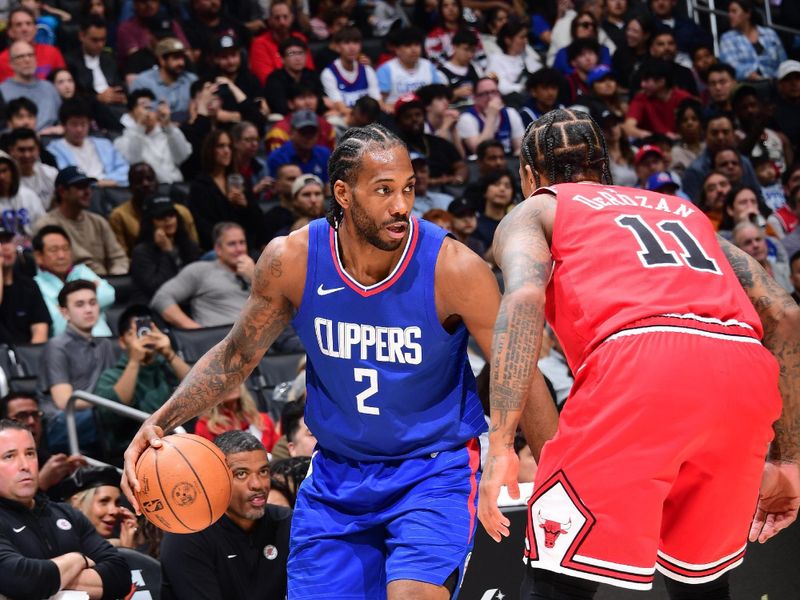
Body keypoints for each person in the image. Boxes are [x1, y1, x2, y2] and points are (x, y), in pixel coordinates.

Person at [121, 123, 516, 599]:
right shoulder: (294, 258)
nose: (402, 205)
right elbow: (236, 354)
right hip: (337, 474)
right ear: (343, 193)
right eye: (384, 190)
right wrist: (160, 420)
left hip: (430, 469)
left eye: (409, 188)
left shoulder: (454, 265)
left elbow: (518, 368)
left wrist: (531, 459)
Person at [478, 108, 800, 599]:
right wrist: (789, 459)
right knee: (702, 581)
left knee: (557, 578)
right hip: (741, 365)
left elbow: (522, 298)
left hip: (640, 361)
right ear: (605, 166)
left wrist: (500, 444)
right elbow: (785, 314)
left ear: (528, 175)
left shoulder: (538, 208)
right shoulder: (682, 211)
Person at [0, 419, 131, 600]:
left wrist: (46, 580)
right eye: (9, 456)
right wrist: (78, 560)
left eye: (30, 453)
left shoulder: (67, 514)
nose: (24, 465)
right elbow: (23, 581)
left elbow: (120, 577)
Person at [160, 431, 292, 600]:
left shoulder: (288, 523)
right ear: (215, 478)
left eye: (263, 471)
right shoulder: (188, 535)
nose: (258, 484)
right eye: (241, 474)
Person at [95, 306, 190, 458]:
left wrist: (169, 353)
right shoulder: (111, 376)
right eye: (135, 332)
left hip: (177, 442)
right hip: (137, 451)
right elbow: (111, 413)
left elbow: (198, 387)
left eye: (148, 330)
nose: (144, 336)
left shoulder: (166, 366)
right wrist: (134, 360)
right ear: (122, 341)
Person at [40, 280, 116, 453]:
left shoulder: (105, 344)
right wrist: (110, 403)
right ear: (64, 312)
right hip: (63, 422)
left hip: (98, 415)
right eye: (80, 305)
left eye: (93, 302)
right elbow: (65, 401)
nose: (89, 309)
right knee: (119, 419)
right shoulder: (56, 346)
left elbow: (113, 388)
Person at [150, 222, 255, 329]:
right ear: (218, 249)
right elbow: (161, 298)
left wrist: (255, 277)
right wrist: (195, 330)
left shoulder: (256, 272)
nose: (239, 249)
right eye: (232, 244)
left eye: (242, 243)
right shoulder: (200, 270)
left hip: (259, 338)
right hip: (218, 337)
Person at [33, 166, 129, 276]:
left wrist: (114, 279)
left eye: (88, 187)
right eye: (80, 187)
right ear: (62, 191)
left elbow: (118, 257)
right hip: (69, 286)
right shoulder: (46, 225)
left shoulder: (99, 222)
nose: (87, 192)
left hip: (106, 282)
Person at [32, 224, 115, 337]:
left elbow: (109, 294)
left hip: (104, 341)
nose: (61, 255)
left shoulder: (81, 271)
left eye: (65, 248)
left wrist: (66, 306)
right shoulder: (35, 285)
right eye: (54, 250)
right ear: (38, 256)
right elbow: (57, 322)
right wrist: (90, 300)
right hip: (68, 347)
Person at [191, 129, 266, 251]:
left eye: (229, 146)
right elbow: (203, 227)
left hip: (245, 245)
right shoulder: (200, 186)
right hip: (216, 249)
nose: (227, 151)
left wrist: (245, 205)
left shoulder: (240, 180)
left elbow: (258, 222)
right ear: (210, 150)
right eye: (221, 146)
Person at [0, 391, 85, 492]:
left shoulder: (49, 462)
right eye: (22, 416)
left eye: (35, 415)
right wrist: (41, 482)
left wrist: (77, 477)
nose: (31, 421)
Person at [130, 194, 201, 303]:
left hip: (191, 302)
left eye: (171, 215)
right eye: (161, 216)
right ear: (150, 222)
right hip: (159, 306)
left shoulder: (189, 245)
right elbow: (157, 288)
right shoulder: (141, 252)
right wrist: (167, 252)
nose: (168, 220)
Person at [113, 88, 193, 184]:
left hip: (175, 186)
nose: (148, 111)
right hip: (147, 188)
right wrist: (140, 127)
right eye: (144, 106)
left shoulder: (168, 133)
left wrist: (168, 125)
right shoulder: (123, 140)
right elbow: (134, 160)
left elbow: (182, 156)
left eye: (151, 107)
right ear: (132, 112)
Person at [46, 98, 130, 188]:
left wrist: (105, 181)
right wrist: (95, 184)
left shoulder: (104, 144)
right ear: (64, 125)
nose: (79, 129)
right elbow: (66, 178)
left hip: (111, 189)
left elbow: (124, 169)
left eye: (83, 124)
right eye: (74, 124)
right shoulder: (53, 150)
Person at [394, 92, 467, 188]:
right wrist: (435, 181)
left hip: (449, 192)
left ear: (424, 117)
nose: (414, 119)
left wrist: (458, 179)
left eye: (418, 115)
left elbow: (461, 166)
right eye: (408, 117)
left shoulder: (440, 142)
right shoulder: (394, 150)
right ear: (399, 122)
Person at [61, 465, 138, 548]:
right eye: (104, 501)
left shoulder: (117, 546)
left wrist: (128, 548)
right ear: (76, 503)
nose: (115, 511)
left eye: (117, 503)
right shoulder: (56, 544)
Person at [130, 37, 198, 124]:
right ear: (162, 60)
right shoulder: (143, 82)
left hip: (187, 129)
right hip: (154, 131)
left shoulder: (191, 80)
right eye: (176, 58)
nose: (181, 63)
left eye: (183, 58)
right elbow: (138, 115)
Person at [0, 223, 50, 343]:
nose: (4, 248)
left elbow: (40, 327)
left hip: (25, 356)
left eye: (7, 241)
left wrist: (31, 357)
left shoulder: (29, 285)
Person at [623, 58, 694, 140]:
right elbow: (628, 128)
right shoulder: (641, 98)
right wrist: (659, 138)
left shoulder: (684, 98)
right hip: (653, 144)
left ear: (661, 81)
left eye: (646, 80)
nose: (642, 85)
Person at [66, 15, 126, 111]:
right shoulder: (70, 62)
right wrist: (98, 98)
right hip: (89, 110)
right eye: (95, 40)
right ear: (81, 36)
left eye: (103, 40)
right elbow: (73, 94)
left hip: (117, 107)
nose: (100, 45)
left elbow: (119, 85)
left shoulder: (109, 59)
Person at [249, 0, 314, 86]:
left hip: (304, 92)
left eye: (285, 17)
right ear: (269, 20)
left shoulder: (300, 39)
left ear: (292, 18)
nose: (282, 22)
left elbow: (310, 71)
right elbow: (267, 79)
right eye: (277, 18)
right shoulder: (259, 44)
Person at [195, 385, 279, 451]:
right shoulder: (205, 426)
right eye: (224, 382)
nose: (231, 385)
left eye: (234, 379)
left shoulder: (262, 419)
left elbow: (277, 452)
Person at [376, 27, 443, 108]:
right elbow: (379, 102)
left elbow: (439, 94)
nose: (414, 49)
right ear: (397, 49)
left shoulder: (428, 66)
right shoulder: (385, 70)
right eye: (408, 46)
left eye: (417, 45)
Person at [457, 76, 525, 156]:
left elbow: (521, 148)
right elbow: (478, 151)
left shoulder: (510, 113)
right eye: (484, 94)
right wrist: (491, 116)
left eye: (494, 92)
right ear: (475, 98)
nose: (490, 97)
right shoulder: (467, 118)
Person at [719, 0, 786, 81]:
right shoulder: (727, 38)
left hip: (775, 82)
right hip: (746, 84)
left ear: (747, 13)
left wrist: (775, 78)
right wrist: (748, 74)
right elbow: (729, 66)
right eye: (729, 11)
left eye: (734, 11)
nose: (729, 15)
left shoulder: (770, 34)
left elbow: (783, 62)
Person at [0, 6, 66, 82]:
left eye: (28, 24)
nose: (24, 29)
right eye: (18, 25)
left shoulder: (53, 53)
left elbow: (63, 82)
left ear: (35, 29)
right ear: (10, 32)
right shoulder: (1, 60)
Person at [266, 111, 332, 186]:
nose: (308, 136)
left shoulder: (324, 154)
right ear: (291, 132)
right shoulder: (278, 157)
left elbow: (328, 185)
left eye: (312, 132)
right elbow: (276, 189)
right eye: (303, 132)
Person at [264, 38, 325, 118]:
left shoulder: (312, 75)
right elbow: (279, 107)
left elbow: (320, 103)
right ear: (282, 59)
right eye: (291, 54)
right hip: (286, 119)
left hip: (314, 117)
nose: (298, 58)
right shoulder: (274, 78)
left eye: (300, 53)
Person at [0, 149, 47, 244]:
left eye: (4, 170)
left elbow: (43, 227)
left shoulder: (28, 196)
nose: (1, 177)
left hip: (30, 251)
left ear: (13, 171)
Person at [7, 127, 58, 211]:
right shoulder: (6, 179)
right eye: (21, 150)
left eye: (31, 149)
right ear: (11, 151)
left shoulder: (51, 174)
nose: (27, 155)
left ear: (38, 150)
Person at [409, 153, 452, 218]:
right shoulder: (402, 206)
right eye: (414, 172)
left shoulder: (447, 200)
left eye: (423, 171)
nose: (419, 176)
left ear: (428, 174)